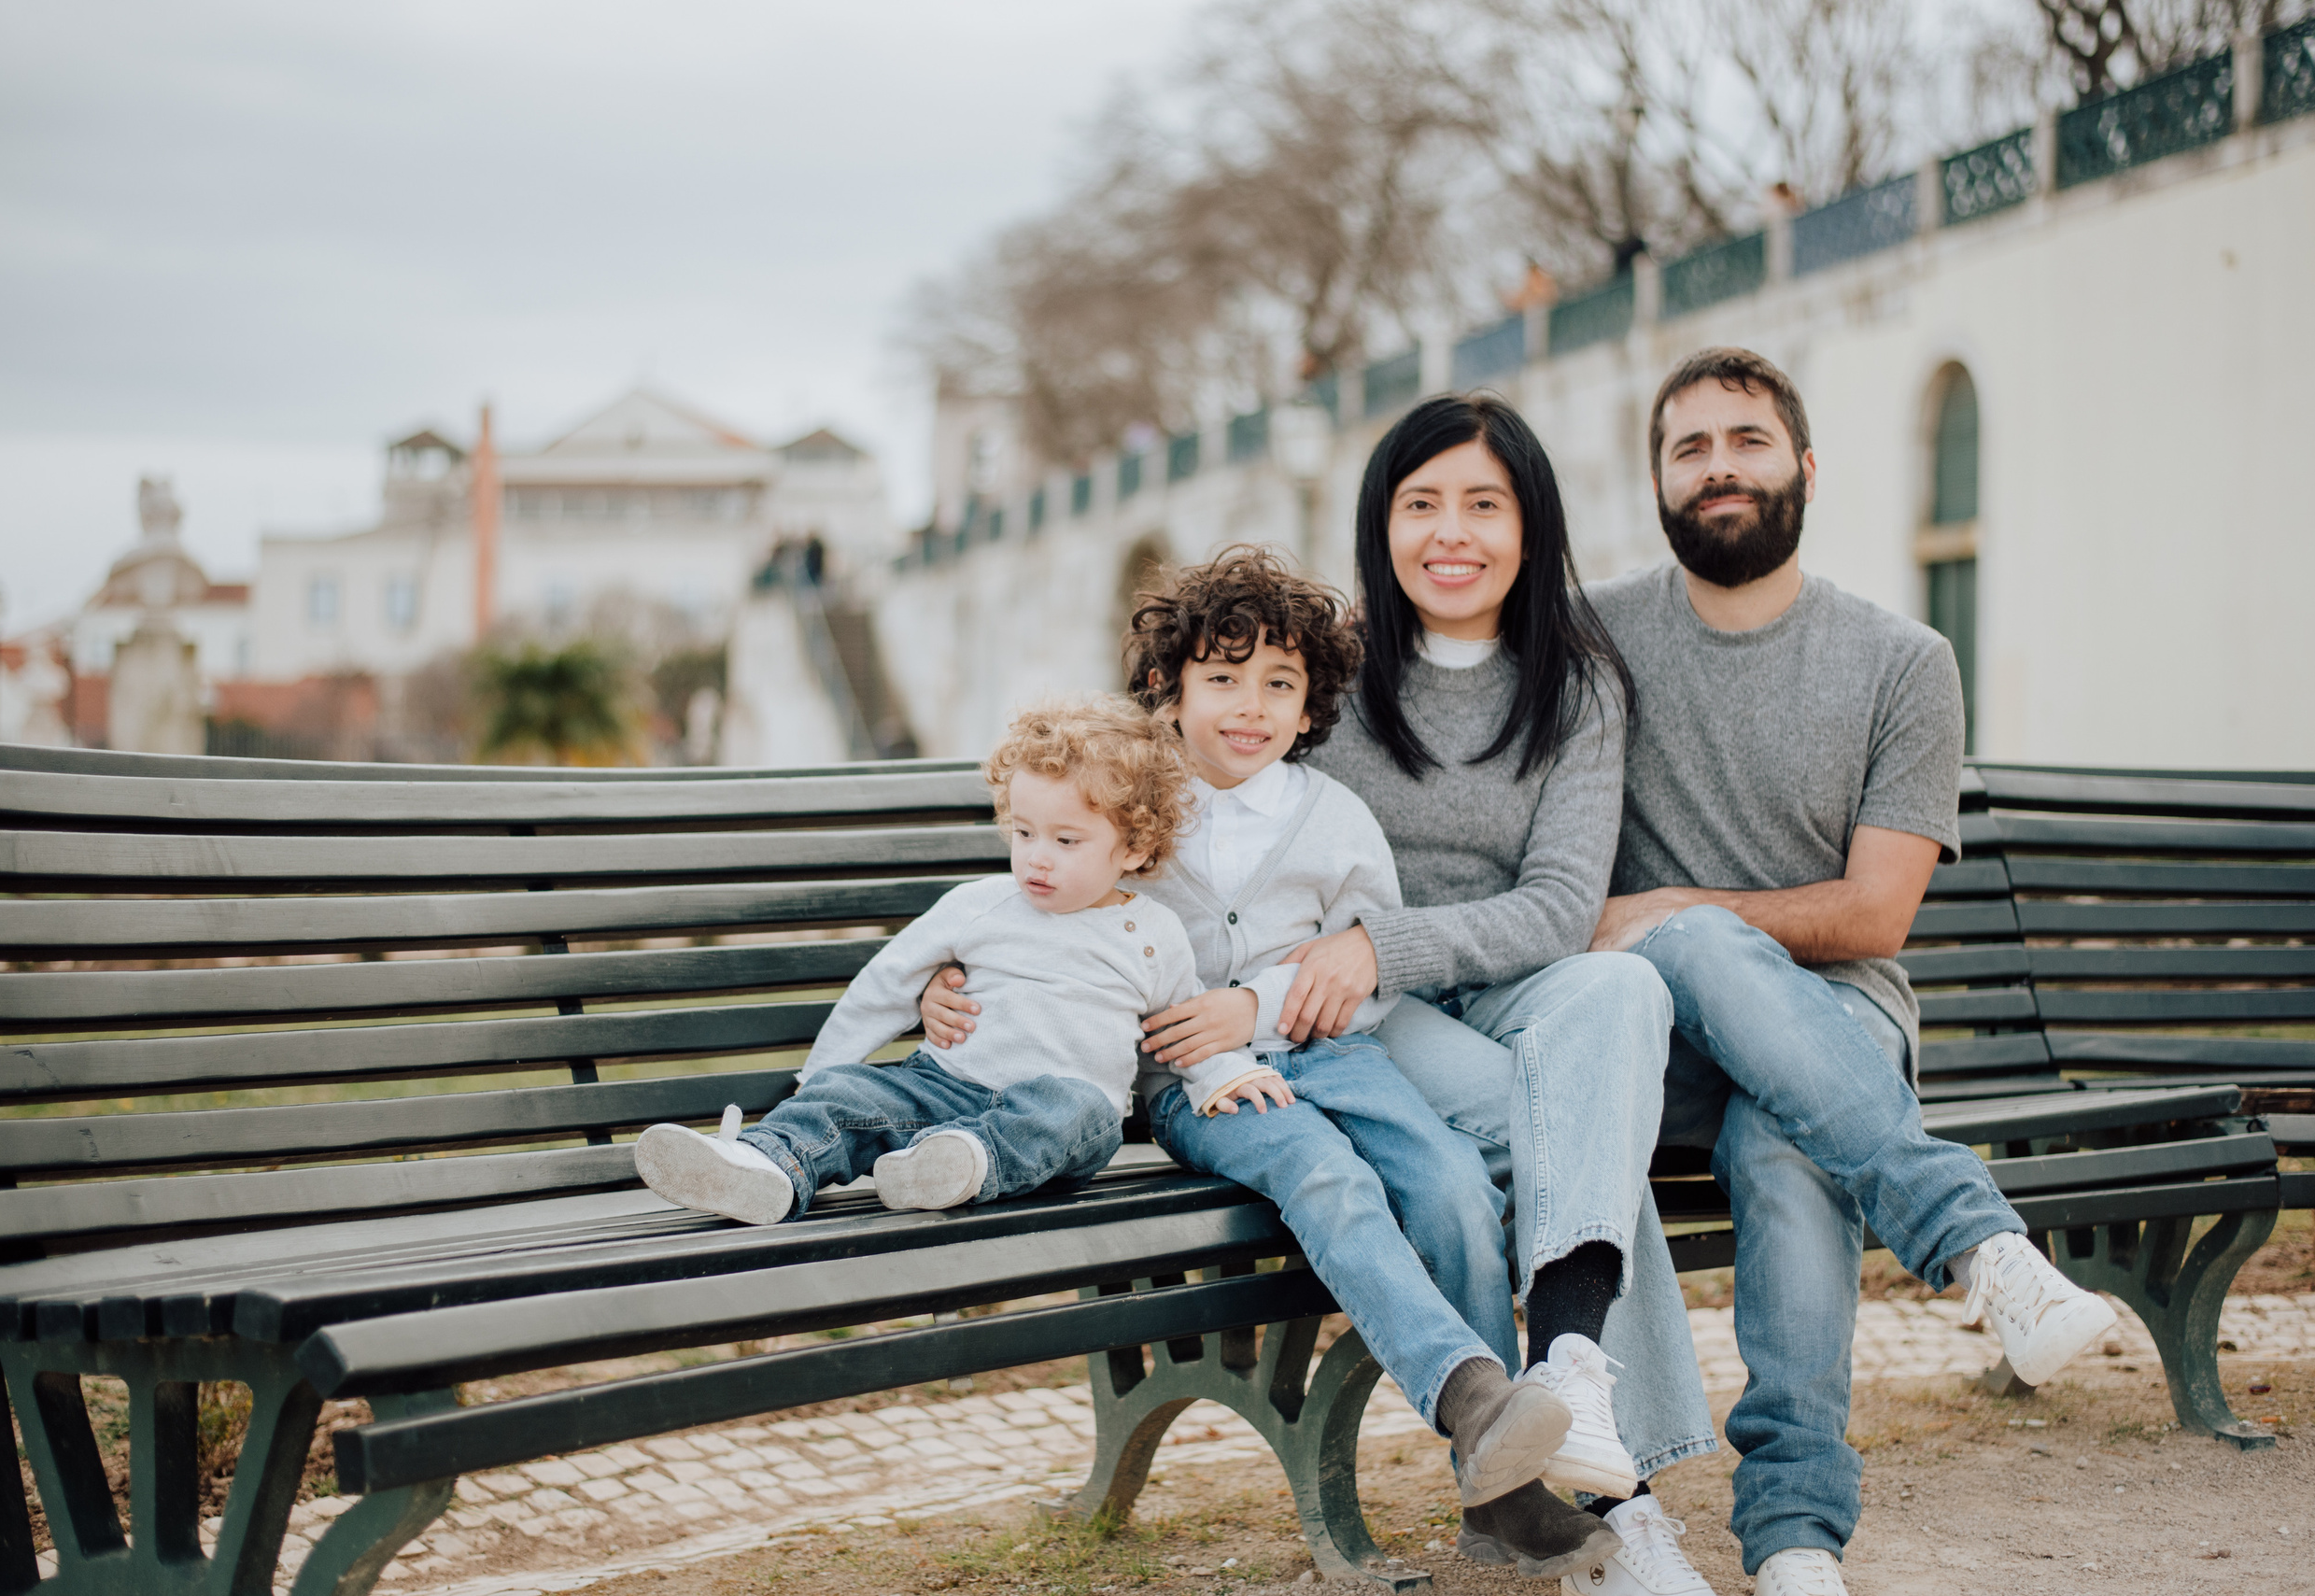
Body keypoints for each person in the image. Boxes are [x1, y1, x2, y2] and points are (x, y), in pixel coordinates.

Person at [1581, 346, 2116, 1595]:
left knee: (1788, 1136)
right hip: (1651, 1035)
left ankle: (1795, 1537)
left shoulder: (1902, 660)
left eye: (1747, 440)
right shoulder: (1593, 639)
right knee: (1692, 945)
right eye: (1690, 447)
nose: (1719, 466)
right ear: (1658, 483)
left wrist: (1677, 908)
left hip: (1831, 1022)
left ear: (1807, 469)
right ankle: (1975, 1240)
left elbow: (1878, 913)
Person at [923, 546, 1591, 1515]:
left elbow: (1370, 966)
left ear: (1310, 704)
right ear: (1170, 686)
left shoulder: (1335, 816)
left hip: (1338, 1053)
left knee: (1451, 1181)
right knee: (1327, 1175)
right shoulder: (1129, 805)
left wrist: (1273, 1005)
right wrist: (945, 979)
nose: (1251, 706)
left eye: (1279, 683)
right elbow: (1037, 899)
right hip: (1201, 1080)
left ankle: (1498, 1486)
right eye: (1223, 678)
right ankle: (1478, 1410)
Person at [1296, 392, 1718, 1593]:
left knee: (1620, 989)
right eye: (1421, 503)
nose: (1452, 532)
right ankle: (1620, 1501)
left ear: (1530, 526)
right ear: (1380, 523)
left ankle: (1569, 1365)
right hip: (1367, 1021)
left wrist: (1383, 941)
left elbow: (1558, 908)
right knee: (1580, 1134)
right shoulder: (1321, 674)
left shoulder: (1577, 685)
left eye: (1484, 504)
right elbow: (1165, 788)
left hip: (1497, 988)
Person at [633, 697, 1235, 1223]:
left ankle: (961, 1163)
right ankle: (766, 1166)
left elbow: (1183, 1027)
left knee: (1073, 1109)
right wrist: (821, 1071)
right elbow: (889, 981)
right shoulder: (980, 905)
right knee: (850, 1093)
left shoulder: (1153, 933)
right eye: (1024, 833)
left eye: (1066, 840)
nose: (1036, 858)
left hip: (1059, 1117)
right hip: (943, 1087)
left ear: (1133, 846)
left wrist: (1222, 1076)